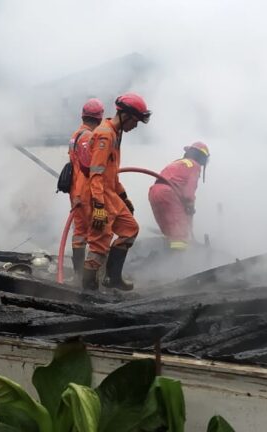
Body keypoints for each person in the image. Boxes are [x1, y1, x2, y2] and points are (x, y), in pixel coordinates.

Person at [80, 92, 151, 291]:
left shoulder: (114, 134)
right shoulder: (105, 135)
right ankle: (88, 290)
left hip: (110, 194)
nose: (135, 126)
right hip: (99, 195)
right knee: (99, 244)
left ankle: (113, 278)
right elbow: (96, 174)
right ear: (126, 116)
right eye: (135, 121)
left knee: (130, 229)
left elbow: (111, 174)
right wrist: (99, 205)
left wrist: (124, 197)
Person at [68, 98, 104, 283]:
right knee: (98, 230)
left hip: (76, 191)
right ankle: (93, 278)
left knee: (80, 232)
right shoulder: (88, 137)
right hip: (87, 191)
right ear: (99, 118)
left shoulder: (75, 135)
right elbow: (91, 167)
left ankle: (78, 275)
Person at [148, 142, 210, 250]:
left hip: (154, 192)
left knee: (170, 231)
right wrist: (190, 206)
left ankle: (166, 255)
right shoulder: (194, 166)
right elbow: (189, 191)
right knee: (180, 235)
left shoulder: (178, 162)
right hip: (168, 194)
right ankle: (178, 258)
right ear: (202, 157)